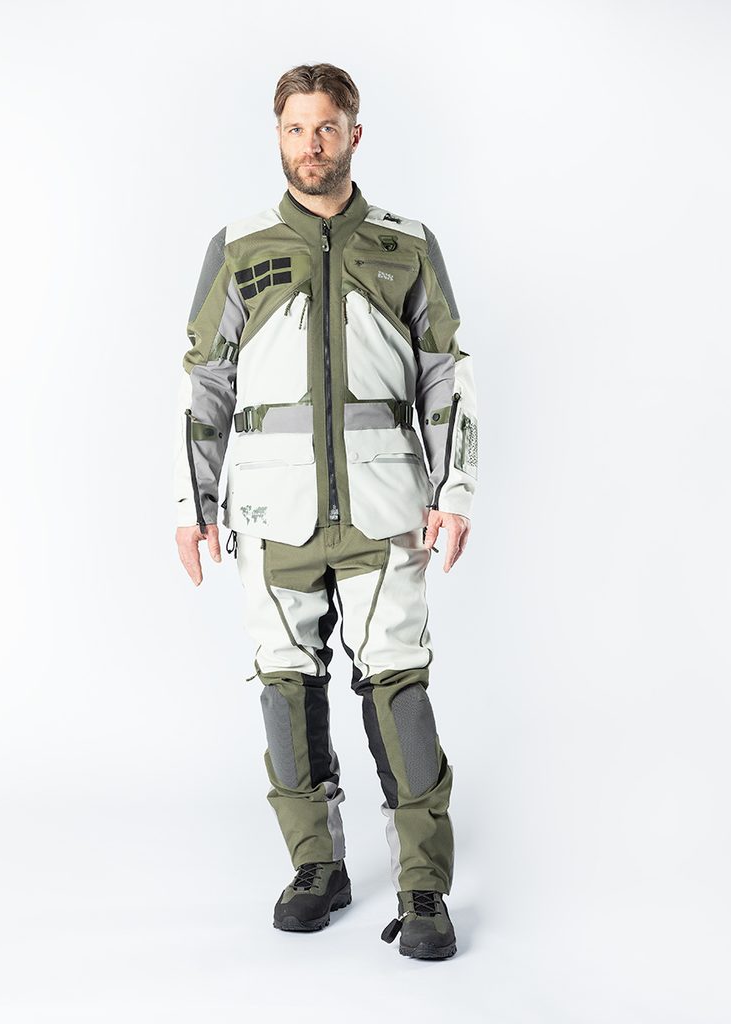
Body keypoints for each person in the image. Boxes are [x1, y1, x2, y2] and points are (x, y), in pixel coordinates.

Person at [172, 63, 478, 960]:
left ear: (354, 134)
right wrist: (192, 503)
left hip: (387, 509)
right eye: (297, 128)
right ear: (279, 136)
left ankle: (423, 887)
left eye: (328, 127)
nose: (313, 144)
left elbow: (446, 374)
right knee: (284, 687)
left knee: (400, 689)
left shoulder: (406, 244)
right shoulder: (239, 247)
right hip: (272, 513)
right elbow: (206, 382)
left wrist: (455, 492)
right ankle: (317, 868)